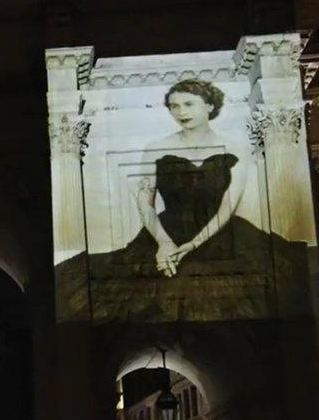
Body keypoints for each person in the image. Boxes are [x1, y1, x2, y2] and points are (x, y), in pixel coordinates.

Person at [104, 79, 261, 279]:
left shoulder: (234, 147)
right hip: (166, 232)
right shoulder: (156, 148)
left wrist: (194, 244)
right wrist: (164, 243)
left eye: (188, 104)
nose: (181, 112)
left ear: (209, 105)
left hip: (219, 235)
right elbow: (145, 201)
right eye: (174, 106)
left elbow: (228, 206)